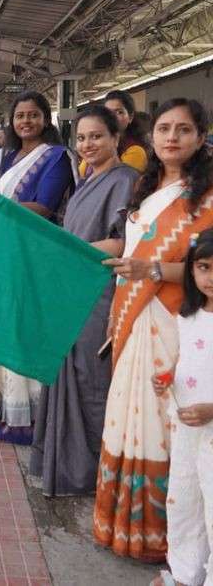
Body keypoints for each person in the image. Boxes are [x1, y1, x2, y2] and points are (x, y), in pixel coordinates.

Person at [94, 98, 213, 563]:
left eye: (184, 130)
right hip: (131, 313)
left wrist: (153, 269)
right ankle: (125, 526)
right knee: (130, 417)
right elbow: (129, 254)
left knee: (166, 427)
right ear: (151, 135)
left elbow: (206, 271)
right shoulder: (145, 190)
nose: (171, 138)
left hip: (174, 321)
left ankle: (172, 542)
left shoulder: (205, 197)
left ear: (200, 138)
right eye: (164, 128)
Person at [29, 105, 138, 496]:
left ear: (116, 138)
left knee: (93, 381)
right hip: (75, 288)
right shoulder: (89, 179)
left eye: (96, 136)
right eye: (82, 138)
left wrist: (67, 250)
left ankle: (97, 474)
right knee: (69, 373)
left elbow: (124, 242)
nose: (88, 144)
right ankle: (69, 468)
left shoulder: (125, 180)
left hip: (100, 292)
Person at [0, 91, 77, 443]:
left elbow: (44, 206)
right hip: (8, 251)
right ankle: (0, 404)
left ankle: (26, 413)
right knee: (5, 326)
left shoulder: (56, 157)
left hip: (32, 253)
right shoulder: (10, 157)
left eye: (33, 115)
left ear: (46, 119)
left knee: (22, 327)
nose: (26, 121)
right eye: (20, 115)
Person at [151, 229, 213, 586]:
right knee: (185, 501)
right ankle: (185, 573)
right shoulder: (187, 316)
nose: (211, 278)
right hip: (187, 428)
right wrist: (166, 377)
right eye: (204, 267)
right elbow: (189, 363)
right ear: (191, 269)